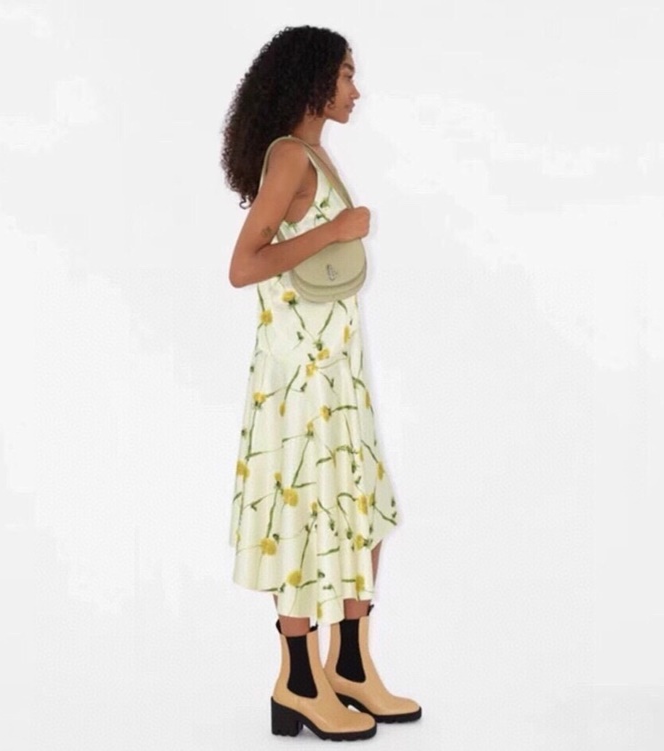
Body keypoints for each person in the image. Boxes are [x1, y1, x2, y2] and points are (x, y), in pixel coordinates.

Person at [220, 25, 421, 741]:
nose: (355, 90)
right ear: (312, 81)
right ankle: (299, 681)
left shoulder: (313, 154)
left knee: (365, 509)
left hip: (335, 371)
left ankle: (350, 665)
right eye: (345, 75)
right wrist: (336, 232)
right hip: (300, 378)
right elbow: (244, 265)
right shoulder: (288, 157)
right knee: (304, 517)